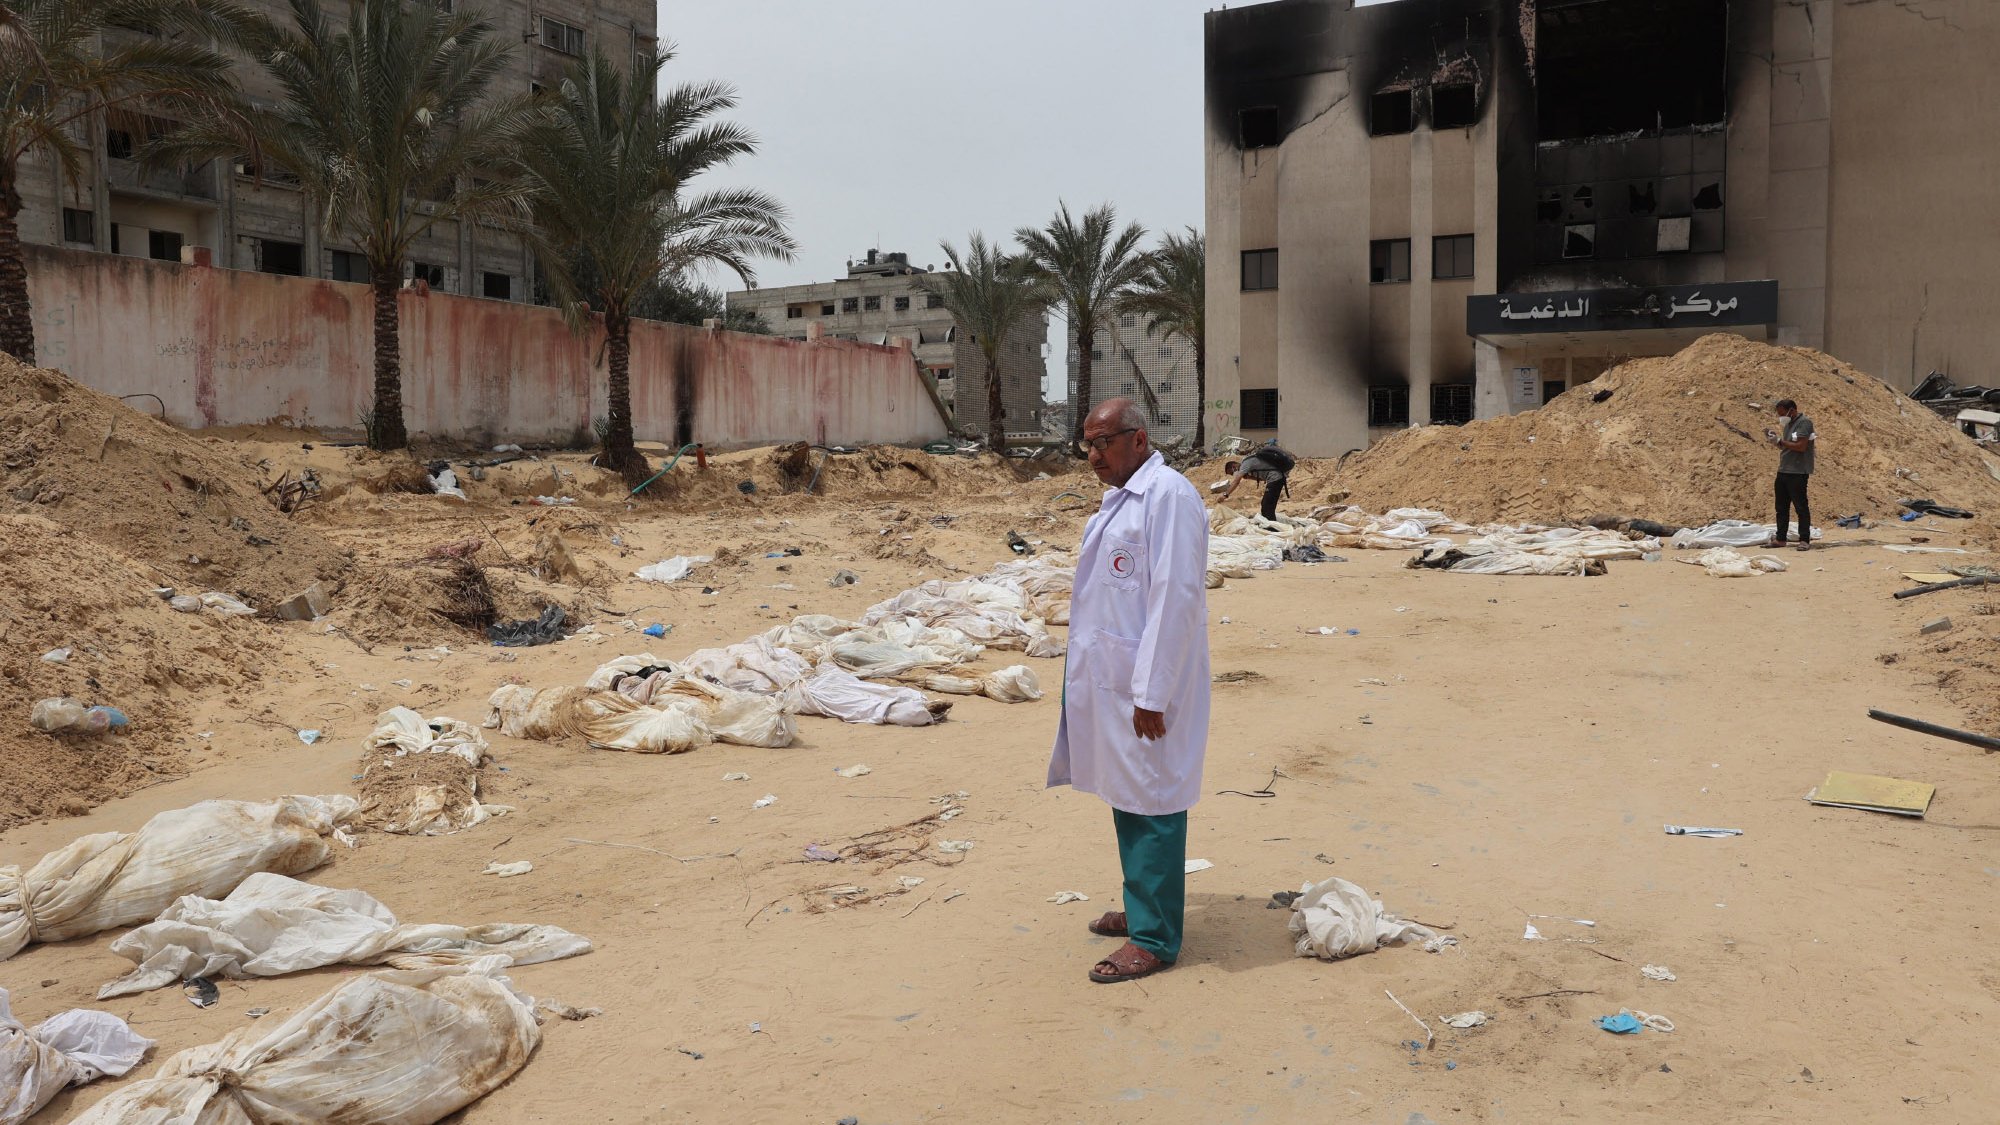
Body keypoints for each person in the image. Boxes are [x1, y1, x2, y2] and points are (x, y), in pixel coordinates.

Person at [1047, 398, 1211, 984]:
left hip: (1147, 684)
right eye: (1086, 444)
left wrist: (1152, 692)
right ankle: (1144, 905)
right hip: (1116, 678)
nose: (1092, 456)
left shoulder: (1168, 497)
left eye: (1103, 443)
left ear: (1137, 440)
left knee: (1154, 799)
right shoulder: (1122, 498)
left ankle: (1156, 938)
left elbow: (1175, 599)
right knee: (1128, 792)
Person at [1766, 398, 1815, 551]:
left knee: (1800, 507)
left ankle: (1804, 539)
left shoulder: (1804, 423)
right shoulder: (1788, 424)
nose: (1781, 417)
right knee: (1781, 507)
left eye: (1782, 413)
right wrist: (1777, 442)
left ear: (1792, 410)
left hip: (1797, 472)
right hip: (1784, 470)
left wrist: (1781, 440)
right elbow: (1788, 447)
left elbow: (1801, 446)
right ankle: (1780, 539)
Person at [1219, 443, 1296, 522]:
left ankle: (1272, 527)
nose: (1233, 474)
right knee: (1267, 505)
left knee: (1267, 505)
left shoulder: (1245, 463)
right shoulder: (1248, 465)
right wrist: (1249, 477)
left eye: (1232, 473)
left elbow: (1236, 481)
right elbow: (1262, 478)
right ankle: (1271, 524)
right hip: (1276, 478)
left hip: (1275, 478)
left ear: (1234, 466)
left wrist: (1226, 494)